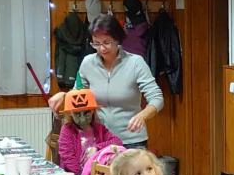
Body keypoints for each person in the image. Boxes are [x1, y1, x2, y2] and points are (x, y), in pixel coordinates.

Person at [48, 13, 162, 148]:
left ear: (117, 39)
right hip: (100, 140)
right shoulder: (88, 63)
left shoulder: (135, 63)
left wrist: (142, 116)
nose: (102, 48)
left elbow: (157, 98)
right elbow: (79, 94)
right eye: (96, 43)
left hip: (131, 140)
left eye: (107, 42)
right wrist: (64, 95)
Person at [56, 77, 123, 175]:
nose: (82, 119)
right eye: (77, 114)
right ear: (70, 113)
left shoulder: (99, 128)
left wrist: (97, 148)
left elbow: (117, 141)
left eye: (86, 113)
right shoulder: (67, 130)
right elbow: (67, 157)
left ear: (93, 111)